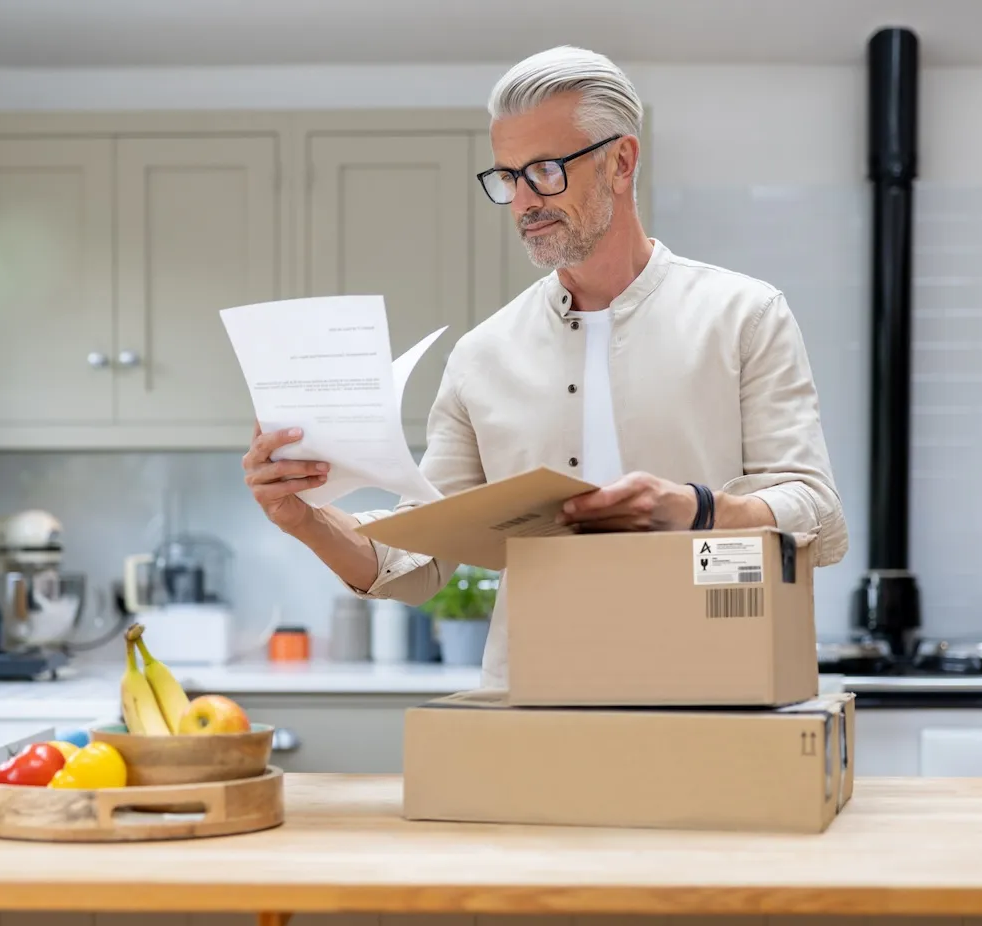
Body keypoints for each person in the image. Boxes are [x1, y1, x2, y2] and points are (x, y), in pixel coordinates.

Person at [242, 45, 848, 689]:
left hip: (719, 690)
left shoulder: (745, 315)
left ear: (622, 161)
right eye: (507, 176)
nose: (524, 200)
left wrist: (694, 509)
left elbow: (820, 517)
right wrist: (304, 518)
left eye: (547, 170)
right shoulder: (482, 355)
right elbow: (411, 563)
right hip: (534, 703)